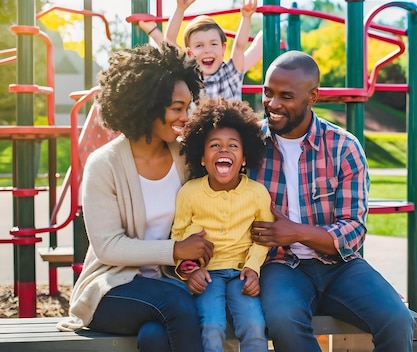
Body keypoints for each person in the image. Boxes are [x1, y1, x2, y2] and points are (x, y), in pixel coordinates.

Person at [247, 50, 416, 352]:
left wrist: (296, 232)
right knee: (284, 320)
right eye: (267, 92)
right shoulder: (248, 146)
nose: (272, 104)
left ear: (313, 96)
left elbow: (353, 230)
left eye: (286, 96)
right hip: (279, 265)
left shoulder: (344, 147)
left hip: (340, 265)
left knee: (398, 319)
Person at [56, 43, 214, 352]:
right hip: (113, 289)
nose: (186, 116)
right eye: (176, 108)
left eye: (188, 106)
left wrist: (189, 263)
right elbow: (108, 247)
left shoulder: (185, 157)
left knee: (155, 338)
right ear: (148, 106)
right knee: (177, 305)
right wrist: (176, 250)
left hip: (170, 283)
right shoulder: (104, 164)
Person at [170, 97, 272, 352]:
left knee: (254, 326)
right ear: (202, 158)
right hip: (207, 276)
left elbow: (263, 238)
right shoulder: (189, 193)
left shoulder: (258, 193)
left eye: (233, 146)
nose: (223, 150)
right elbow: (178, 237)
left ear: (245, 157)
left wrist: (253, 269)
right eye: (214, 145)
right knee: (211, 326)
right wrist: (189, 270)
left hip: (241, 275)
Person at [139, 0, 261, 100]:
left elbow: (239, 46)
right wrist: (180, 9)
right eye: (199, 45)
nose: (207, 50)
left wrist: (246, 17)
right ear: (190, 53)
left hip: (230, 128)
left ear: (223, 49)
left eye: (213, 44)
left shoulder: (230, 72)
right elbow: (169, 42)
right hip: (201, 128)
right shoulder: (190, 75)